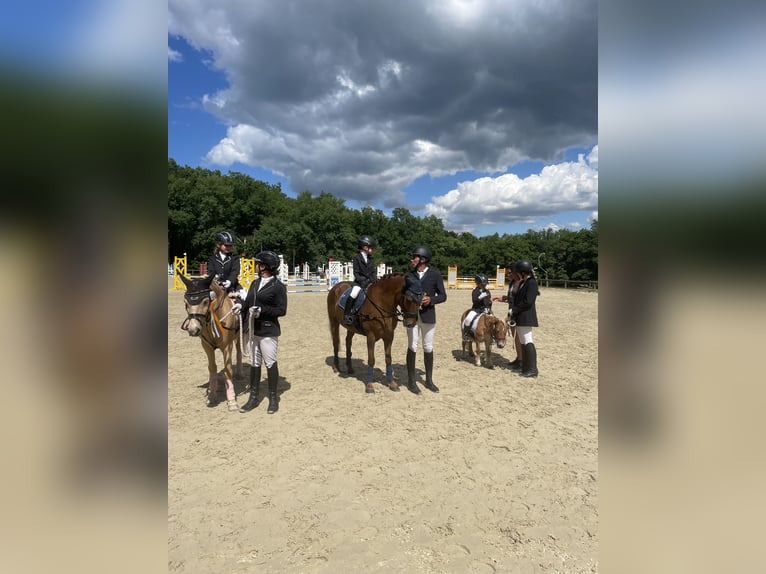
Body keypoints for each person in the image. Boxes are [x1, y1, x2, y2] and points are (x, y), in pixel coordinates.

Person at [234, 250, 288, 414]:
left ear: (264, 266)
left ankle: (273, 398)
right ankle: (253, 397)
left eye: (258, 264)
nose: (256, 266)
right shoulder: (255, 283)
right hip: (253, 330)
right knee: (254, 363)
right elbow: (249, 301)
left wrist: (261, 310)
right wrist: (240, 307)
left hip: (268, 330)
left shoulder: (278, 287)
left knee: (270, 363)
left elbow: (281, 310)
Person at [405, 245, 447, 394]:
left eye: (414, 257)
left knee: (428, 347)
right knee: (412, 346)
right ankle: (411, 381)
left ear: (423, 259)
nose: (411, 260)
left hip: (428, 315)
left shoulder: (435, 275)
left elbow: (443, 296)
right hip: (412, 316)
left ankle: (429, 380)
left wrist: (432, 299)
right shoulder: (409, 275)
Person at [510, 260, 539, 378]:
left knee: (528, 340)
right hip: (521, 316)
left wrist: (514, 309)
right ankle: (526, 366)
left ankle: (532, 369)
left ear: (522, 272)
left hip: (526, 316)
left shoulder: (531, 283)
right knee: (522, 341)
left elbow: (527, 302)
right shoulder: (524, 282)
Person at [493, 262, 523, 369]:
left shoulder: (521, 283)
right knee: (516, 337)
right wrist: (503, 298)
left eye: (509, 273)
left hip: (518, 314)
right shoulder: (512, 283)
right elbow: (512, 298)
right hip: (512, 313)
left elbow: (521, 301)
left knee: (520, 338)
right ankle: (519, 358)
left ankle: (522, 360)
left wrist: (510, 315)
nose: (507, 275)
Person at [344, 235, 377, 325]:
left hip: (370, 282)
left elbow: (373, 271)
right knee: (354, 293)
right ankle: (347, 314)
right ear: (365, 247)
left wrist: (374, 279)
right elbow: (356, 273)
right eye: (371, 247)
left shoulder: (371, 258)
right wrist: (363, 281)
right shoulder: (356, 258)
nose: (372, 249)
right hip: (359, 282)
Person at [462, 273, 493, 341]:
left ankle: (492, 336)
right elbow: (474, 301)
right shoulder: (475, 291)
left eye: (485, 284)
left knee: (493, 321)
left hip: (486, 310)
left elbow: (488, 302)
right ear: (478, 283)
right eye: (482, 284)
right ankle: (466, 334)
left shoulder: (487, 292)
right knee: (468, 319)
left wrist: (490, 304)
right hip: (476, 309)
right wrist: (480, 297)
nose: (484, 286)